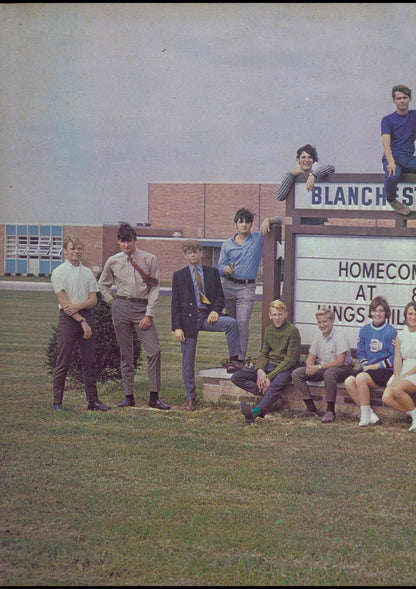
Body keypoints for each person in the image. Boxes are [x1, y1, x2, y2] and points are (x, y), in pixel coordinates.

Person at [98, 222, 170, 410]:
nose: (126, 245)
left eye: (129, 241)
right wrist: (112, 302)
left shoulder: (149, 259)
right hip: (121, 307)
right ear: (118, 242)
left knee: (154, 351)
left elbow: (154, 287)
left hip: (141, 308)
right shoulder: (113, 261)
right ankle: (128, 396)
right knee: (126, 354)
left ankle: (154, 397)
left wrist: (149, 314)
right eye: (122, 242)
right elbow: (102, 284)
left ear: (135, 240)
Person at [171, 239, 243, 411]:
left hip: (207, 316)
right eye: (189, 252)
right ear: (186, 255)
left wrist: (216, 311)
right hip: (188, 321)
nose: (193, 254)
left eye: (196, 251)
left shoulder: (212, 273)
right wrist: (177, 327)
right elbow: (175, 304)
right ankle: (191, 397)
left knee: (231, 323)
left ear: (201, 253)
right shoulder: (179, 275)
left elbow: (220, 297)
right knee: (188, 361)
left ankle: (234, 360)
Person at [51, 234, 111, 412]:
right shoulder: (58, 273)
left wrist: (80, 307)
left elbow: (93, 300)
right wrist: (82, 321)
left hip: (86, 315)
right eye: (72, 249)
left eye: (79, 248)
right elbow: (65, 305)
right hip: (69, 320)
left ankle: (93, 401)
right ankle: (57, 402)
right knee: (63, 360)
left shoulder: (87, 273)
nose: (76, 252)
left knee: (89, 361)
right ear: (65, 251)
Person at [231, 299, 301, 425]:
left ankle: (255, 413)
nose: (278, 318)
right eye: (274, 314)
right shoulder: (269, 330)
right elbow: (264, 353)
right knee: (237, 377)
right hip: (269, 366)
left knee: (274, 385)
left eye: (280, 314)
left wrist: (269, 377)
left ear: (285, 314)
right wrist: (260, 371)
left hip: (284, 369)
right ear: (270, 315)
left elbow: (290, 360)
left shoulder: (292, 331)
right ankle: (273, 399)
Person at [291, 306, 354, 423]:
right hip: (324, 368)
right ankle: (311, 409)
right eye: (319, 322)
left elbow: (340, 361)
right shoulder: (318, 335)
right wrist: (309, 367)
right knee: (297, 373)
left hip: (342, 368)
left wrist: (318, 367)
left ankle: (330, 411)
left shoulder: (339, 335)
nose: (322, 325)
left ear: (332, 321)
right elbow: (311, 357)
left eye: (325, 321)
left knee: (329, 374)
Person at [217, 207, 263, 362]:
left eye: (247, 222)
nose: (244, 225)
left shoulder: (258, 239)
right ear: (235, 224)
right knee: (231, 324)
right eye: (240, 222)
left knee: (242, 322)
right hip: (228, 287)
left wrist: (270, 220)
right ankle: (233, 359)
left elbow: (280, 219)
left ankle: (241, 360)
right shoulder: (227, 244)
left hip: (247, 288)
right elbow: (220, 266)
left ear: (251, 224)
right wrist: (226, 271)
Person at [344, 296, 397, 426]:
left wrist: (375, 366)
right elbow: (361, 352)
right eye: (374, 310)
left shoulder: (391, 331)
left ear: (386, 313)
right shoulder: (364, 330)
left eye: (381, 311)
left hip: (385, 370)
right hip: (368, 369)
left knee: (361, 378)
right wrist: (366, 365)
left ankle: (364, 416)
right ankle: (370, 414)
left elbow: (394, 357)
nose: (377, 314)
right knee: (349, 381)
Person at [381, 84, 416, 216]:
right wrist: (391, 162)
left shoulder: (414, 116)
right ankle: (391, 200)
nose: (402, 101)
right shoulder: (387, 120)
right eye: (399, 98)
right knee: (392, 176)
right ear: (394, 100)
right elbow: (386, 144)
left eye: (405, 97)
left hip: (409, 159)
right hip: (393, 158)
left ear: (410, 99)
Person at [382, 301, 416, 432]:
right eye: (410, 314)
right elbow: (397, 358)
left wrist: (405, 376)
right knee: (387, 398)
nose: (413, 317)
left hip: (414, 370)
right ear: (406, 315)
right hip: (403, 369)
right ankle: (414, 415)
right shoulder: (401, 334)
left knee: (397, 389)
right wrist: (397, 376)